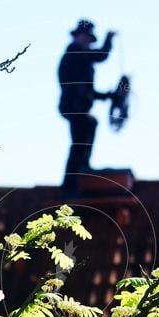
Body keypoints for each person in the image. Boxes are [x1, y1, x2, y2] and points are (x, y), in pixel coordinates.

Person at [58, 20, 116, 193]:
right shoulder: (75, 52)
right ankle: (72, 183)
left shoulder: (82, 59)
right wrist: (109, 39)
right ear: (79, 36)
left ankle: (82, 171)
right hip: (72, 106)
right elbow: (101, 55)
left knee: (87, 129)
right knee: (80, 140)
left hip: (78, 107)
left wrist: (108, 96)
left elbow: (89, 90)